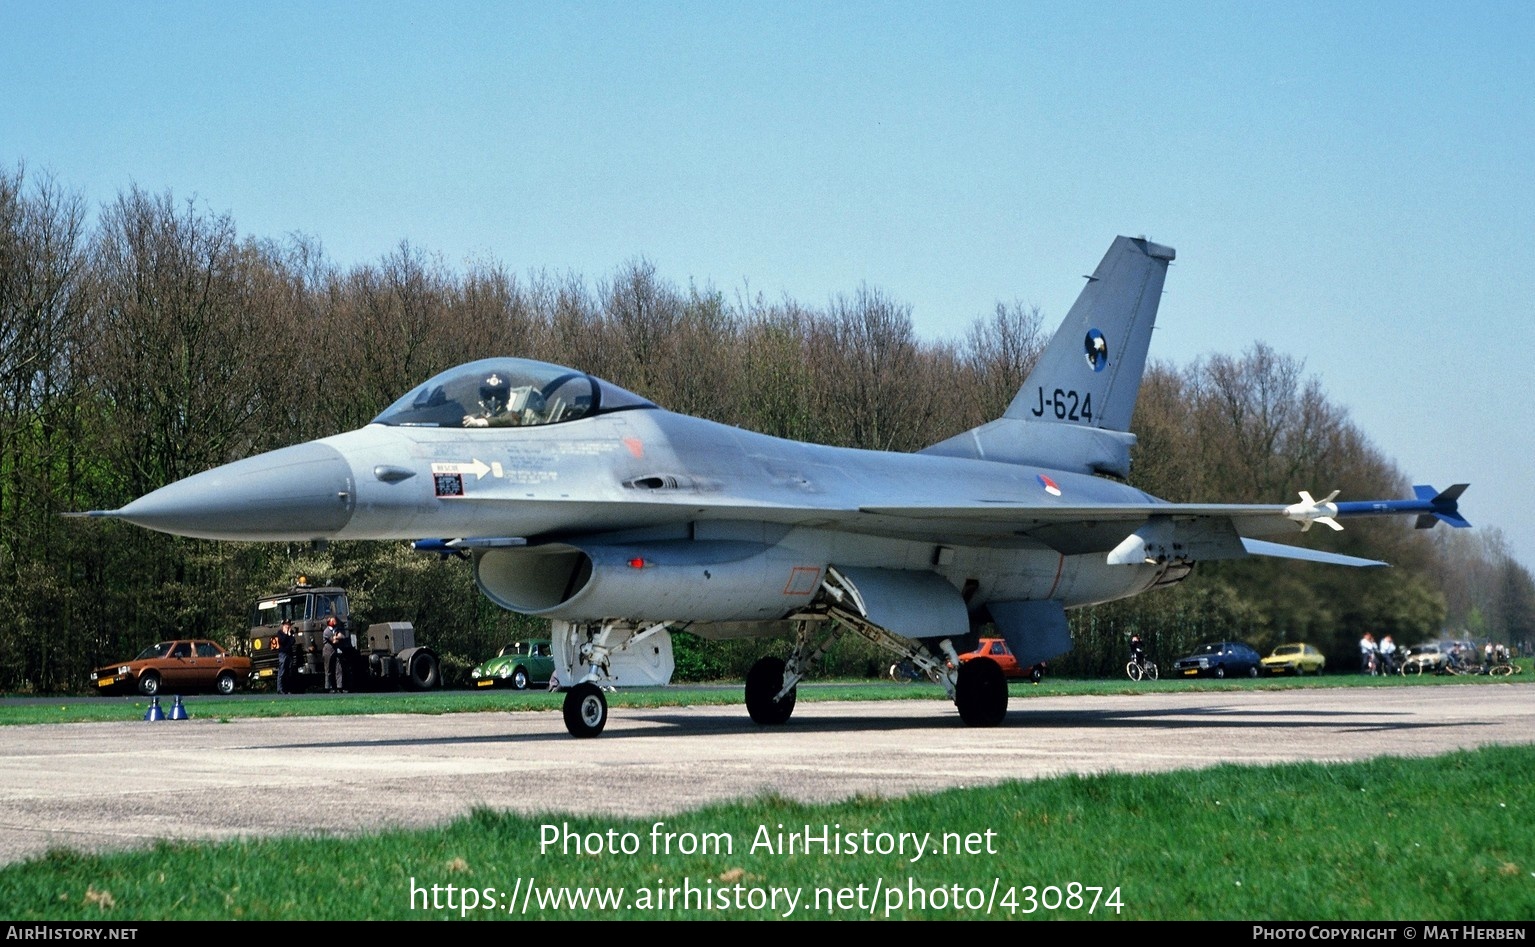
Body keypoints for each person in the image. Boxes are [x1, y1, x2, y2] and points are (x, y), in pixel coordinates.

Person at [274, 619, 295, 694]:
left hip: (289, 654)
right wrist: (286, 634)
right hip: (283, 654)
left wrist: (289, 634)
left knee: (289, 672)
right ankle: (280, 689)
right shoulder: (280, 633)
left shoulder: (291, 633)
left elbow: (292, 642)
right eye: (286, 625)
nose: (288, 626)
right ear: (283, 625)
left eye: (289, 625)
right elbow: (282, 641)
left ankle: (287, 689)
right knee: (282, 671)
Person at [322, 617, 342, 692]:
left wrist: (336, 637)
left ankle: (339, 686)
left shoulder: (336, 629)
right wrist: (337, 638)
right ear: (329, 622)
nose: (334, 621)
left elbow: (342, 636)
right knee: (328, 669)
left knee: (338, 668)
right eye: (332, 620)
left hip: (335, 651)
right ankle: (328, 687)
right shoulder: (326, 632)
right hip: (328, 651)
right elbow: (333, 641)